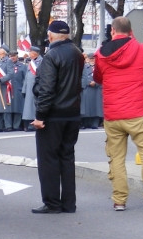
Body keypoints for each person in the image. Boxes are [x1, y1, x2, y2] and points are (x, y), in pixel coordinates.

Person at [93, 16, 143, 211]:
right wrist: (133, 39)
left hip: (113, 114)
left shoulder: (101, 53)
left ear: (112, 31)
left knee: (117, 157)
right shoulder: (141, 49)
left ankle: (119, 199)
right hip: (136, 112)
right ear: (131, 31)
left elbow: (98, 77)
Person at [30, 20, 84, 214]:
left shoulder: (51, 56)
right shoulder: (77, 53)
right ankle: (69, 203)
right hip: (73, 113)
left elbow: (46, 89)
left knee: (48, 159)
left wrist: (40, 116)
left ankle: (52, 202)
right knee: (67, 158)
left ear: (51, 35)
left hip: (53, 115)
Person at [80, 52, 103, 129]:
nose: (92, 60)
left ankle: (95, 123)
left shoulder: (99, 67)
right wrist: (87, 83)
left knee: (96, 107)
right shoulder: (84, 67)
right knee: (86, 107)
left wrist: (96, 83)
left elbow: (103, 77)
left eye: (93, 58)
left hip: (97, 90)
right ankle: (85, 123)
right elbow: (81, 77)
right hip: (87, 89)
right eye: (90, 58)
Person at [20, 46, 41, 130]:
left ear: (34, 53)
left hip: (37, 88)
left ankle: (34, 123)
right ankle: (28, 124)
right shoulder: (31, 63)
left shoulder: (41, 61)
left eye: (30, 52)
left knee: (35, 106)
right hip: (29, 88)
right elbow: (27, 77)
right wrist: (24, 89)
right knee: (29, 107)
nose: (29, 54)